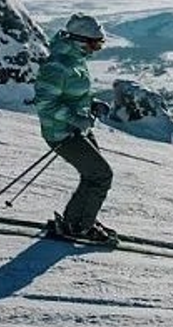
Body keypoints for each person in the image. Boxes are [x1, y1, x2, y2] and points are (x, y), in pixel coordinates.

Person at [34, 13, 117, 244]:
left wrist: (91, 104)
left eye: (100, 44)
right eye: (94, 44)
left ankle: (78, 221)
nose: (96, 49)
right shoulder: (57, 66)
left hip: (76, 130)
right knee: (101, 175)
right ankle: (79, 227)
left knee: (93, 175)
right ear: (80, 41)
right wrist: (74, 119)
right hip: (61, 133)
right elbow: (45, 103)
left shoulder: (75, 60)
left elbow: (71, 94)